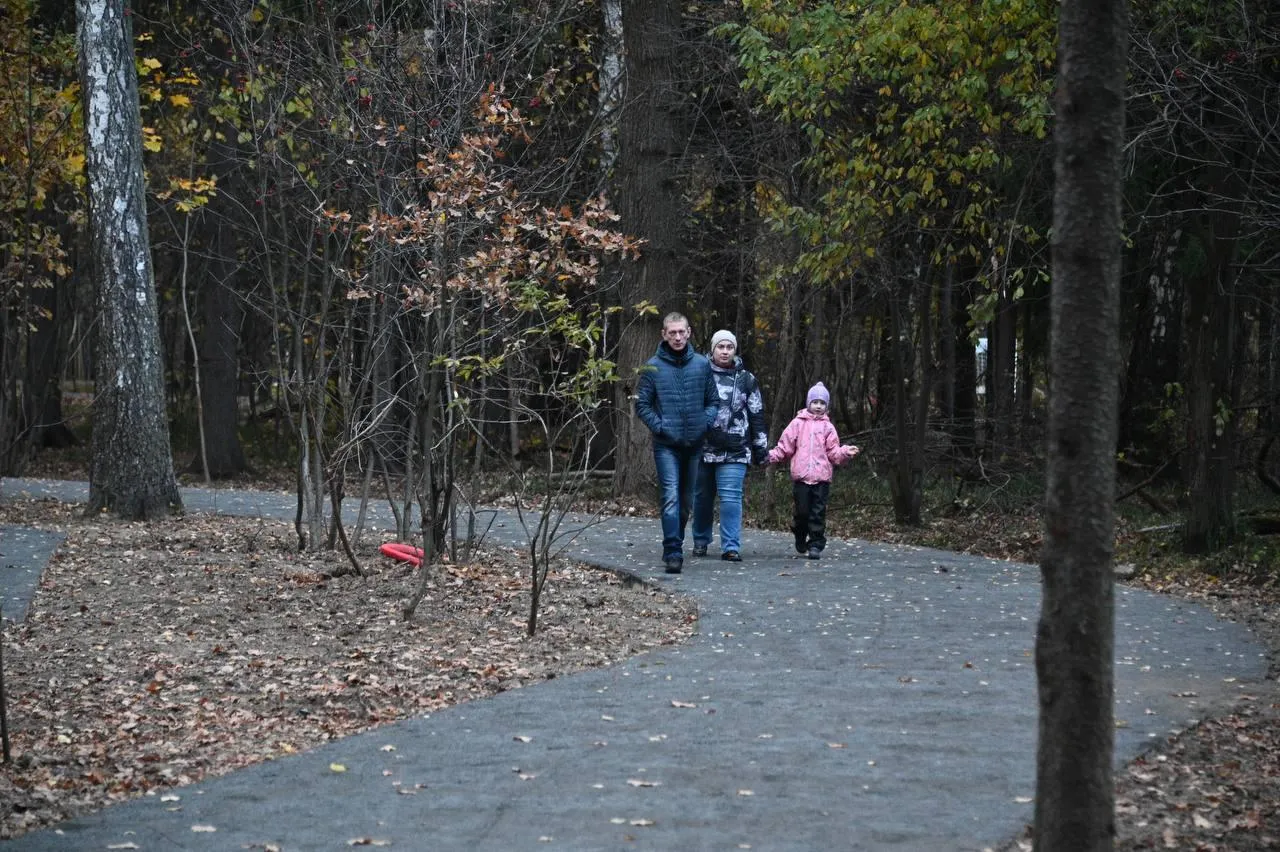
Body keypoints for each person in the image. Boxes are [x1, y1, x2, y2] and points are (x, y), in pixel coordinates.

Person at [635, 312, 718, 574]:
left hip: (694, 444)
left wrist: (703, 423)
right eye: (672, 332)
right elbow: (642, 404)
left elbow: (713, 401)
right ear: (664, 334)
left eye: (681, 332)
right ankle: (673, 551)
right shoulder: (652, 367)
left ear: (689, 332)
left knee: (685, 503)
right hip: (666, 445)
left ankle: (675, 540)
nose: (678, 337)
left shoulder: (702, 365)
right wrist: (661, 427)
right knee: (670, 497)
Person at [691, 330, 768, 562]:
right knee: (702, 497)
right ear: (712, 349)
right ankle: (701, 540)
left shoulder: (747, 379)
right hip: (703, 448)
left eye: (729, 347)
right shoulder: (699, 374)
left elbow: (756, 414)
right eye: (720, 347)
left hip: (736, 448)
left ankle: (731, 547)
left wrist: (760, 447)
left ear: (735, 350)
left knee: (731, 497)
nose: (725, 351)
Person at [767, 382, 860, 560]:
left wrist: (846, 452)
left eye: (822, 403)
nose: (818, 406)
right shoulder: (797, 424)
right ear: (809, 403)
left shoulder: (828, 428)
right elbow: (785, 447)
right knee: (802, 512)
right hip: (801, 478)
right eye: (815, 402)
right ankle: (800, 534)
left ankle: (816, 544)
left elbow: (834, 452)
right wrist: (770, 456)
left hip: (821, 478)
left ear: (827, 406)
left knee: (817, 513)